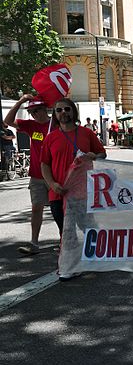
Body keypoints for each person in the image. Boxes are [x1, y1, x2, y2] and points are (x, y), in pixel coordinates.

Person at [40, 98, 106, 280]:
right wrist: (52, 184)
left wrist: (95, 155)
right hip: (58, 192)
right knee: (66, 230)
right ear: (55, 114)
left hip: (82, 191)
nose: (63, 113)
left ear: (74, 112)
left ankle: (98, 256)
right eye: (58, 110)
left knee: (89, 227)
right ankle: (69, 266)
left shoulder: (86, 133)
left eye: (66, 109)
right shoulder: (50, 137)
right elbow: (44, 164)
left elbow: (102, 153)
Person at [4, 95, 58, 254]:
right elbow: (8, 121)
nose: (34, 114)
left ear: (44, 109)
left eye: (36, 110)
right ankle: (34, 243)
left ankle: (66, 241)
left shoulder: (56, 125)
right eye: (31, 112)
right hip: (36, 175)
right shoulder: (30, 126)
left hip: (55, 175)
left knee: (59, 210)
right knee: (36, 208)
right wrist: (20, 102)